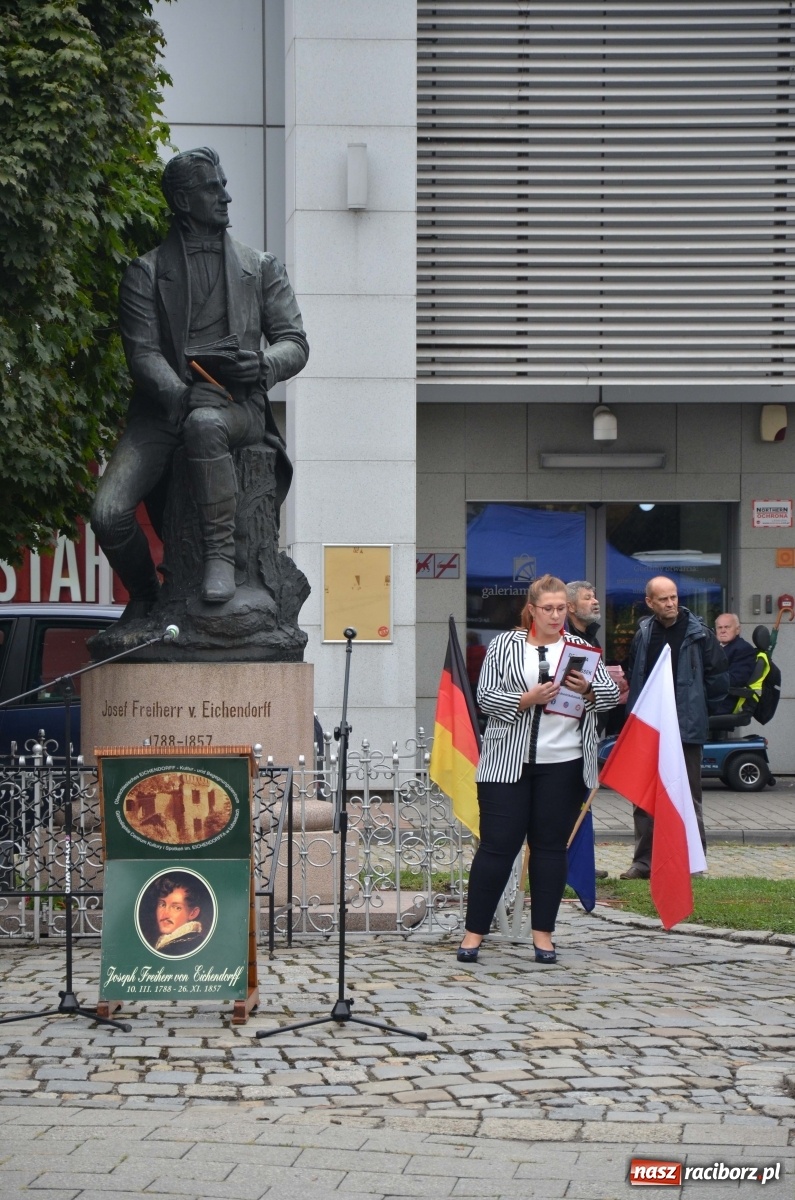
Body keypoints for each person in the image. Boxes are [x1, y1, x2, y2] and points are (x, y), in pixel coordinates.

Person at [91, 146, 309, 613]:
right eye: (213, 188)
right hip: (164, 411)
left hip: (238, 406)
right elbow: (143, 354)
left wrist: (264, 365)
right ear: (183, 201)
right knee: (108, 515)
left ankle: (220, 559)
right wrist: (181, 394)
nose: (226, 196)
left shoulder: (261, 266)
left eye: (223, 185)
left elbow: (294, 341)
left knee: (206, 425)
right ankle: (146, 596)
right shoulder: (145, 273)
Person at [457, 574, 619, 965]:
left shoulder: (581, 647)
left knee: (549, 850)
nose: (556, 615)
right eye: (548, 608)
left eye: (562, 608)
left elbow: (612, 697)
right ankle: (473, 933)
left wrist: (589, 691)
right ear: (531, 609)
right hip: (506, 765)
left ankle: (543, 935)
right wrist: (526, 698)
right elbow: (484, 698)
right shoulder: (505, 646)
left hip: (562, 764)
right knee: (497, 848)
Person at [619, 577, 728, 880]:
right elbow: (633, 671)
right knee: (643, 796)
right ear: (650, 602)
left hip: (686, 727)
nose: (670, 603)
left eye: (674, 597)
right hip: (649, 728)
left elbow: (718, 679)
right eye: (663, 599)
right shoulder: (643, 633)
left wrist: (700, 709)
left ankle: (693, 862)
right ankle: (644, 862)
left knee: (688, 796)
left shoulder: (700, 634)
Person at [150, 875, 207, 955]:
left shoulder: (187, 945)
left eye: (176, 908)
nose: (165, 914)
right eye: (162, 905)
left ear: (193, 913)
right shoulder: (166, 945)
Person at [713, 613, 757, 716]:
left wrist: (706, 679)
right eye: (719, 627)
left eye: (727, 627)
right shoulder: (714, 647)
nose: (723, 630)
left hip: (724, 701)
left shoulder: (743, 649)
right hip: (711, 698)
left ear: (737, 629)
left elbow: (735, 680)